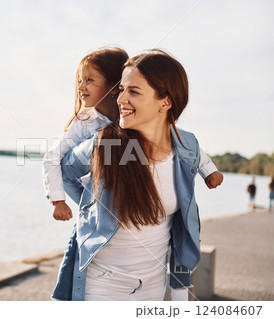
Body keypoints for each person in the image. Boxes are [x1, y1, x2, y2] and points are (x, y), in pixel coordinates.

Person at [52, 49, 223, 301]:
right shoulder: (104, 145)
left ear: (165, 102)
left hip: (153, 287)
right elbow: (65, 172)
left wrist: (179, 289)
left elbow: (183, 227)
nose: (120, 99)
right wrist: (92, 207)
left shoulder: (186, 147)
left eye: (133, 91)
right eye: (121, 89)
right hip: (101, 287)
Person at [43, 47, 129, 221]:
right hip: (93, 200)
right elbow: (52, 156)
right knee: (79, 237)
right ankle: (91, 214)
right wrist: (58, 201)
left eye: (89, 80)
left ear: (114, 87)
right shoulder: (84, 122)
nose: (81, 87)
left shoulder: (130, 116)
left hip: (123, 199)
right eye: (80, 80)